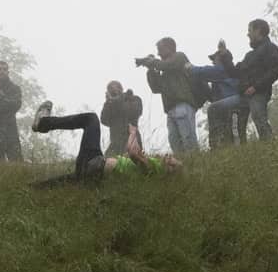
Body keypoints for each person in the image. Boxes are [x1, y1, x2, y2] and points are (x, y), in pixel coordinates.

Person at [30, 101, 181, 187]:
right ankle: (32, 188)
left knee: (91, 119)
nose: (168, 155)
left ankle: (43, 122)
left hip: (96, 164)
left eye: (171, 159)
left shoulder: (154, 169)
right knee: (70, 180)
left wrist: (133, 133)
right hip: (94, 173)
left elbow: (132, 152)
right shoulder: (151, 170)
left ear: (169, 169)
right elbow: (132, 157)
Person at [215, 19, 278, 142]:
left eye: (250, 30)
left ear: (258, 30)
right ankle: (218, 147)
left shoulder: (270, 48)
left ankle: (271, 148)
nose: (248, 34)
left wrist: (255, 87)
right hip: (243, 95)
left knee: (259, 120)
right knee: (215, 108)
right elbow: (234, 72)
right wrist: (225, 55)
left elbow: (275, 71)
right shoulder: (250, 55)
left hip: (259, 94)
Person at [137, 37, 199, 153]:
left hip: (183, 105)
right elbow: (156, 88)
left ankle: (198, 163)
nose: (158, 53)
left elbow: (166, 65)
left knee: (188, 139)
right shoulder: (164, 69)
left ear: (170, 48)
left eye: (160, 49)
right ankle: (185, 166)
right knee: (175, 142)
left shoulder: (179, 57)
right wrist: (151, 70)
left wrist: (152, 62)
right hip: (170, 109)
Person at [190, 47, 249, 148]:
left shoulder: (222, 70)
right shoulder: (218, 77)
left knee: (235, 130)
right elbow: (212, 97)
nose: (213, 62)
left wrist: (189, 67)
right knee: (231, 131)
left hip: (235, 104)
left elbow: (201, 71)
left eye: (215, 59)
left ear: (223, 59)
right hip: (227, 105)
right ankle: (228, 149)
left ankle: (221, 147)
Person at [0, 60, 23, 161]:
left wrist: (1, 96)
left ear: (8, 72)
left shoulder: (15, 88)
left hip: (10, 130)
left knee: (17, 164)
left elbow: (16, 105)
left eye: (4, 69)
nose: (2, 71)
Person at [99, 81, 143, 156]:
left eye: (115, 89)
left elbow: (133, 112)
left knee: (131, 163)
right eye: (110, 90)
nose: (113, 92)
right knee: (106, 163)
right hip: (115, 143)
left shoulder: (133, 98)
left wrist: (116, 100)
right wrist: (108, 102)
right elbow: (104, 120)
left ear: (121, 89)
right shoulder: (110, 104)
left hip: (132, 140)